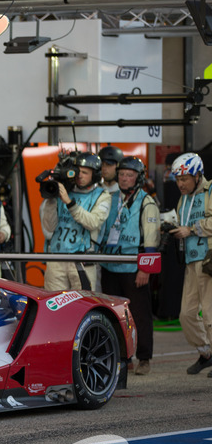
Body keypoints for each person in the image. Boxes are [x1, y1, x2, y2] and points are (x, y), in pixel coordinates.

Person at [99, 156, 160, 375]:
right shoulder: (109, 198)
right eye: (122, 174)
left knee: (140, 314)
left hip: (134, 266)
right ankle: (122, 358)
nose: (125, 179)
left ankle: (144, 358)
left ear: (138, 178)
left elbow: (152, 238)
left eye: (130, 175)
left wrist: (145, 269)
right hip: (109, 264)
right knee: (113, 315)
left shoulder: (146, 202)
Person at [167, 153, 212, 375]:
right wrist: (172, 228)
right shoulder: (183, 199)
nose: (180, 184)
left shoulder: (210, 191)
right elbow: (182, 223)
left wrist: (192, 229)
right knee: (186, 314)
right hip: (191, 260)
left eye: (184, 178)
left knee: (210, 314)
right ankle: (206, 354)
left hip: (209, 260)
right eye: (177, 179)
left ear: (197, 175)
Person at [41, 152, 111, 291]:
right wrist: (51, 200)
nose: (79, 175)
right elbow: (49, 227)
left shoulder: (103, 196)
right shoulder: (64, 190)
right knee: (53, 306)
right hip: (56, 259)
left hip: (83, 261)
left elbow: (93, 222)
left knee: (83, 306)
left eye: (85, 172)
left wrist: (69, 202)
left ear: (95, 175)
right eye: (78, 171)